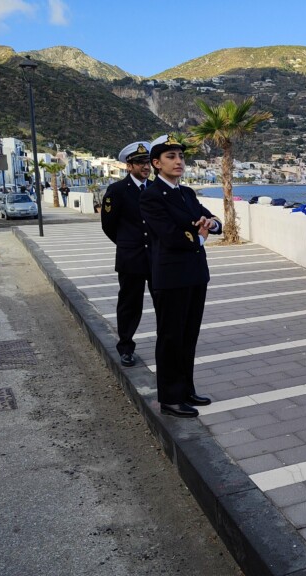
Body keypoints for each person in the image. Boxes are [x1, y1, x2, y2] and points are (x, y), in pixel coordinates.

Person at [139, 134, 222, 418]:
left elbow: (211, 219)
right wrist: (198, 237)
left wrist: (210, 223)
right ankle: (170, 399)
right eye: (171, 157)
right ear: (156, 163)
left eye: (181, 157)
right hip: (171, 277)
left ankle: (186, 389)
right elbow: (170, 236)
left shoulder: (186, 193)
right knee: (171, 337)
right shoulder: (151, 196)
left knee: (189, 336)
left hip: (195, 274)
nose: (178, 162)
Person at [102, 140, 153, 367]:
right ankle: (126, 348)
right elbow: (108, 225)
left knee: (164, 302)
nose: (146, 166)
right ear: (129, 166)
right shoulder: (117, 191)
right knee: (130, 305)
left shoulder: (155, 189)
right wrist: (126, 244)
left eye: (147, 162)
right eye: (140, 162)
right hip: (131, 258)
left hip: (156, 257)